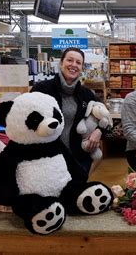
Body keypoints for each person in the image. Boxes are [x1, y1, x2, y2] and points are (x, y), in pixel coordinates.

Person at [31, 47, 101, 178]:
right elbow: (28, 120)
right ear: (61, 63)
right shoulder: (41, 89)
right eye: (70, 60)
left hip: (79, 159)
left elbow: (103, 120)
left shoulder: (86, 94)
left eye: (78, 62)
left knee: (76, 196)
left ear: (82, 67)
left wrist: (98, 131)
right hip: (47, 158)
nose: (74, 65)